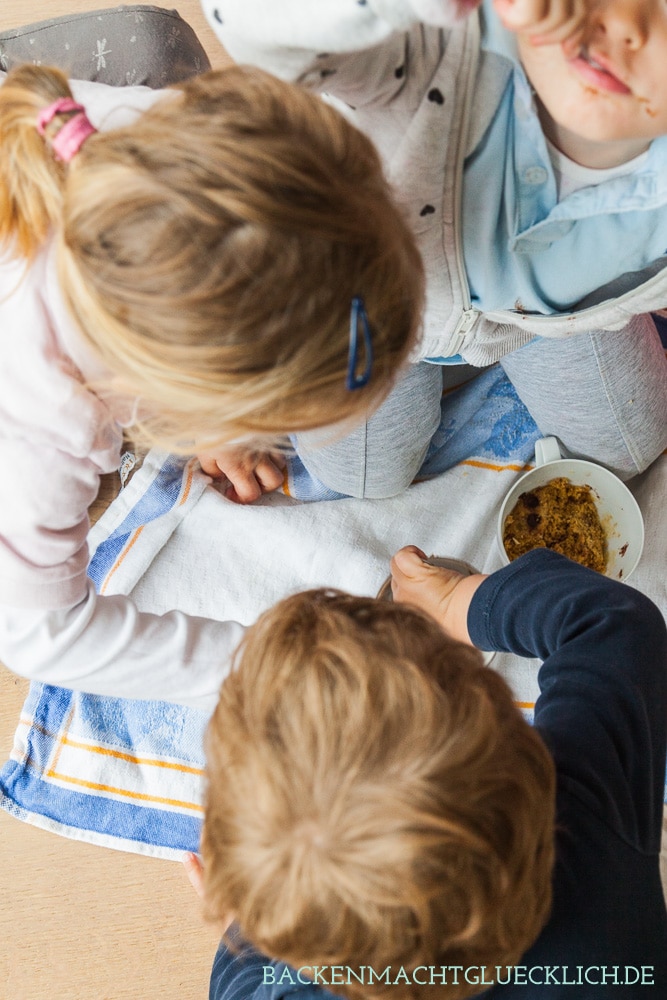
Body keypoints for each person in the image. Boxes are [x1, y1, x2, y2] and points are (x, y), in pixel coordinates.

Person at [0, 61, 423, 706]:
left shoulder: (169, 159)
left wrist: (210, 419)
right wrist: (280, 667)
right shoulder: (38, 432)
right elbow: (40, 635)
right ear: (175, 383)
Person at [198, 0, 667, 497]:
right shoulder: (437, 45)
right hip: (362, 307)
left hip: (539, 320)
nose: (625, 27)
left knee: (631, 452)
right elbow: (249, 20)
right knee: (361, 479)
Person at [193, 545, 667, 999]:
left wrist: (249, 931)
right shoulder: (583, 798)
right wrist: (455, 600)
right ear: (517, 745)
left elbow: (235, 989)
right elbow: (616, 624)